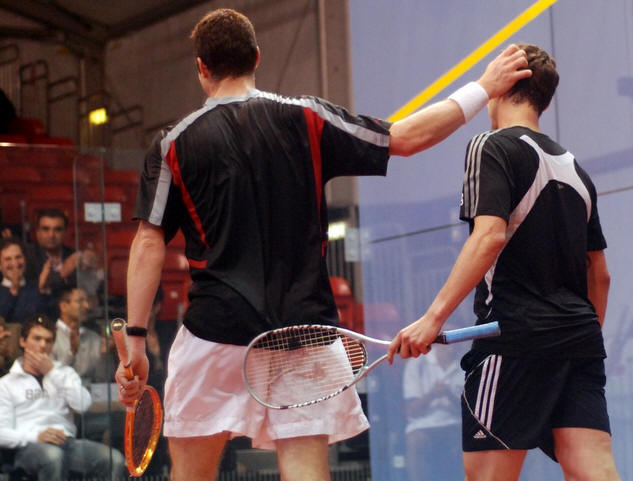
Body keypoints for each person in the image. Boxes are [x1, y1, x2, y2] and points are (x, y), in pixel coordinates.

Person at [114, 8, 530, 481]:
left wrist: (136, 339)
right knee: (306, 471)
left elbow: (148, 242)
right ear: (257, 57)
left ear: (201, 67)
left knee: (191, 475)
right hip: (304, 335)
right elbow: (407, 138)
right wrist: (484, 86)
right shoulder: (307, 117)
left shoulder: (172, 143)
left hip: (213, 334)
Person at [388, 44, 620, 481]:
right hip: (580, 341)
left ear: (502, 87)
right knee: (594, 471)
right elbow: (600, 275)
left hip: (513, 340)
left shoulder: (491, 146)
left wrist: (432, 319)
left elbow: (489, 236)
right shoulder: (576, 170)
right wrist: (577, 340)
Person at [0, 314, 127, 481]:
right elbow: (2, 433)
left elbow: (83, 405)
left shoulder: (64, 373)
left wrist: (52, 373)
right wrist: (36, 436)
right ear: (23, 341)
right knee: (53, 457)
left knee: (114, 459)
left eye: (48, 340)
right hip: (28, 446)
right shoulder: (7, 383)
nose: (42, 345)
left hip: (67, 443)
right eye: (37, 339)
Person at [51, 286, 103, 385]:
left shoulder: (94, 337)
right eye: (80, 301)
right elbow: (52, 376)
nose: (87, 306)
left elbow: (102, 379)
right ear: (63, 306)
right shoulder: (49, 336)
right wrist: (72, 352)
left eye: (87, 301)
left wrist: (104, 356)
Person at [24, 209, 76, 295]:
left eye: (58, 230)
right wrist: (62, 274)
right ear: (37, 232)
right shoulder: (27, 256)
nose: (51, 235)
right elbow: (30, 291)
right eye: (46, 229)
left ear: (65, 233)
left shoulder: (73, 255)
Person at [0, 238, 51, 323]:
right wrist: (13, 290)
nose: (15, 263)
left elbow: (49, 317)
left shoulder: (36, 287)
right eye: (8, 259)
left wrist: (42, 291)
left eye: (18, 257)